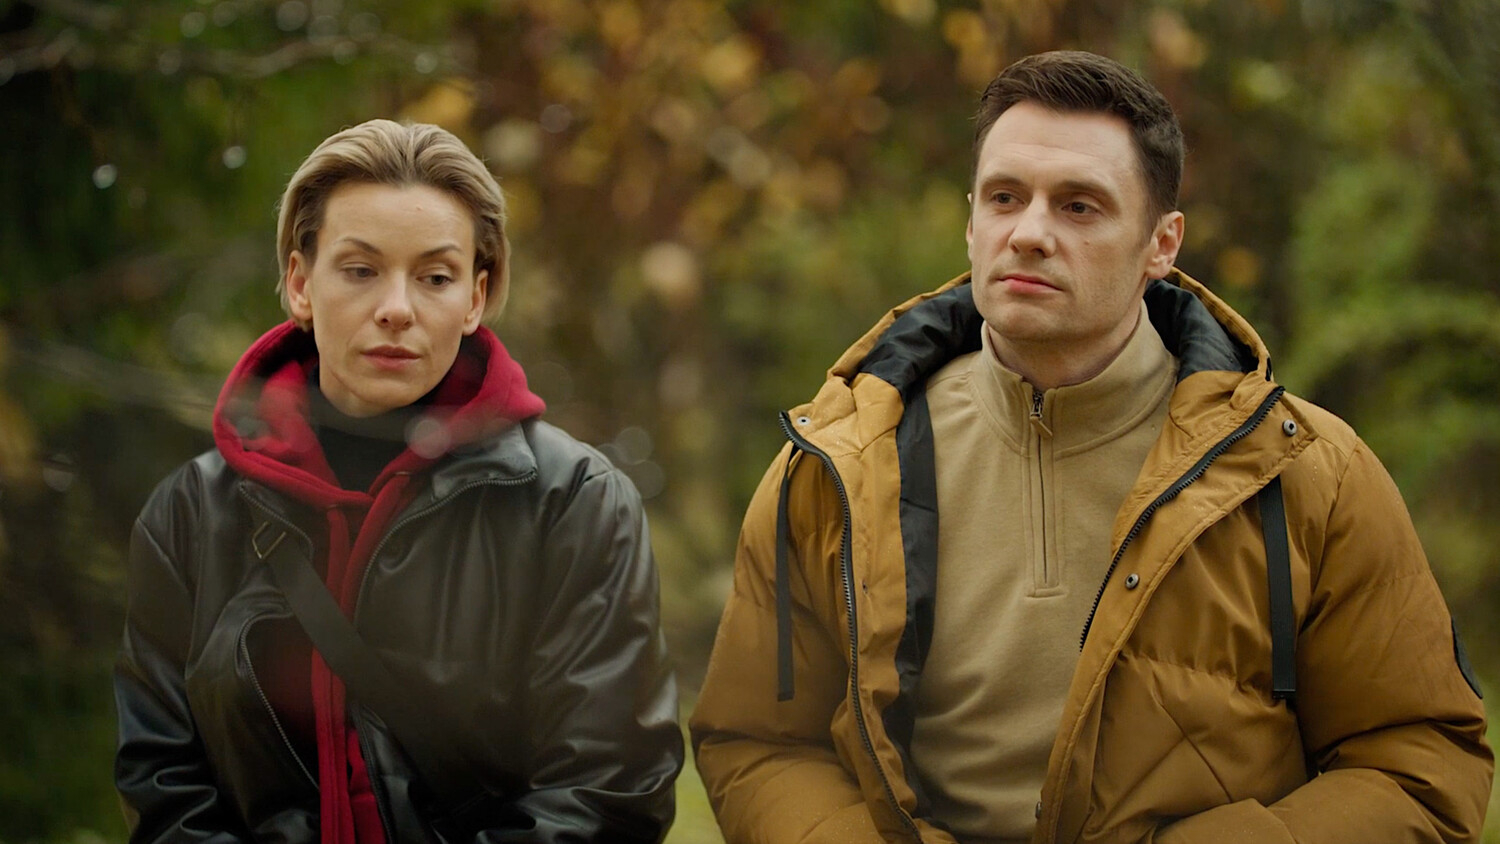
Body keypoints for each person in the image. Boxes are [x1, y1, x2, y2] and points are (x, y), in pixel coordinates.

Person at [690, 51, 1492, 844]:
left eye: (1079, 206)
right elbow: (759, 742)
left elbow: (1418, 763)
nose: (1029, 233)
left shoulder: (1307, 472)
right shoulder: (835, 465)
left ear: (1161, 244)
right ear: (971, 223)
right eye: (1005, 197)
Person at [114, 119, 683, 843]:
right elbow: (165, 786)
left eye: (435, 277)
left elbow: (611, 790)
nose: (396, 308)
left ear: (474, 298)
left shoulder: (574, 504)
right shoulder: (191, 515)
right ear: (300, 283)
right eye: (360, 270)